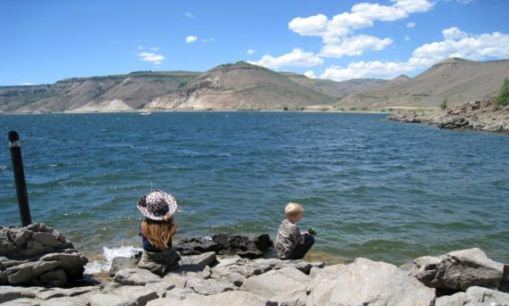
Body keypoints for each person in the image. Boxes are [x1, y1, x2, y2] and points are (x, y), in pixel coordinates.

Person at [136, 190, 180, 275]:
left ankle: (155, 267)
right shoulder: (169, 224)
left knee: (143, 262)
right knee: (173, 254)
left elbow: (141, 235)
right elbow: (171, 235)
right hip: (166, 254)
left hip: (149, 256)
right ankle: (169, 264)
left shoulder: (143, 225)